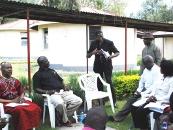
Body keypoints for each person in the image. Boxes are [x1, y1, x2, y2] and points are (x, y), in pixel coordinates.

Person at [108, 55, 162, 122]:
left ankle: (117, 117)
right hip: (145, 92)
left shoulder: (157, 71)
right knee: (131, 100)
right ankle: (117, 117)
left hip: (152, 94)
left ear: (150, 62)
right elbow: (142, 81)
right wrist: (138, 90)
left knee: (132, 101)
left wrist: (142, 93)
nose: (144, 66)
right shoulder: (146, 69)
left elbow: (154, 86)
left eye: (145, 64)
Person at [33, 56, 82, 127]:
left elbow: (61, 80)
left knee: (78, 100)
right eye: (46, 61)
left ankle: (60, 117)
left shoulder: (52, 71)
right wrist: (46, 92)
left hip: (62, 92)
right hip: (52, 94)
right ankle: (65, 121)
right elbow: (36, 89)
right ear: (41, 64)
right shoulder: (37, 75)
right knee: (60, 104)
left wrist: (64, 86)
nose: (48, 62)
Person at [131, 59, 173, 130]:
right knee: (138, 110)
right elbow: (154, 89)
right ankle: (144, 128)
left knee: (161, 119)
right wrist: (151, 96)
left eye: (161, 67)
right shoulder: (161, 77)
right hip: (154, 101)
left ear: (166, 69)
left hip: (163, 103)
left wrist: (156, 99)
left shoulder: (171, 80)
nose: (160, 68)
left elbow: (169, 96)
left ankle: (161, 127)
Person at [0, 62, 41, 130]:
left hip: (18, 102)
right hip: (6, 104)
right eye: (7, 68)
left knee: (36, 107)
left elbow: (21, 92)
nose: (10, 69)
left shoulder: (16, 81)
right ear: (1, 70)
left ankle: (30, 127)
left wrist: (21, 98)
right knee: (20, 110)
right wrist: (11, 101)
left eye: (11, 68)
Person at [87, 30, 120, 105]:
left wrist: (111, 56)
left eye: (101, 36)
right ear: (96, 37)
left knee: (109, 82)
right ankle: (101, 102)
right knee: (99, 83)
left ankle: (114, 101)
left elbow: (117, 52)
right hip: (97, 65)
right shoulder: (93, 43)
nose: (100, 38)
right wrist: (93, 53)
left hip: (107, 65)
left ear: (103, 35)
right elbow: (87, 56)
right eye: (98, 37)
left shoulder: (109, 42)